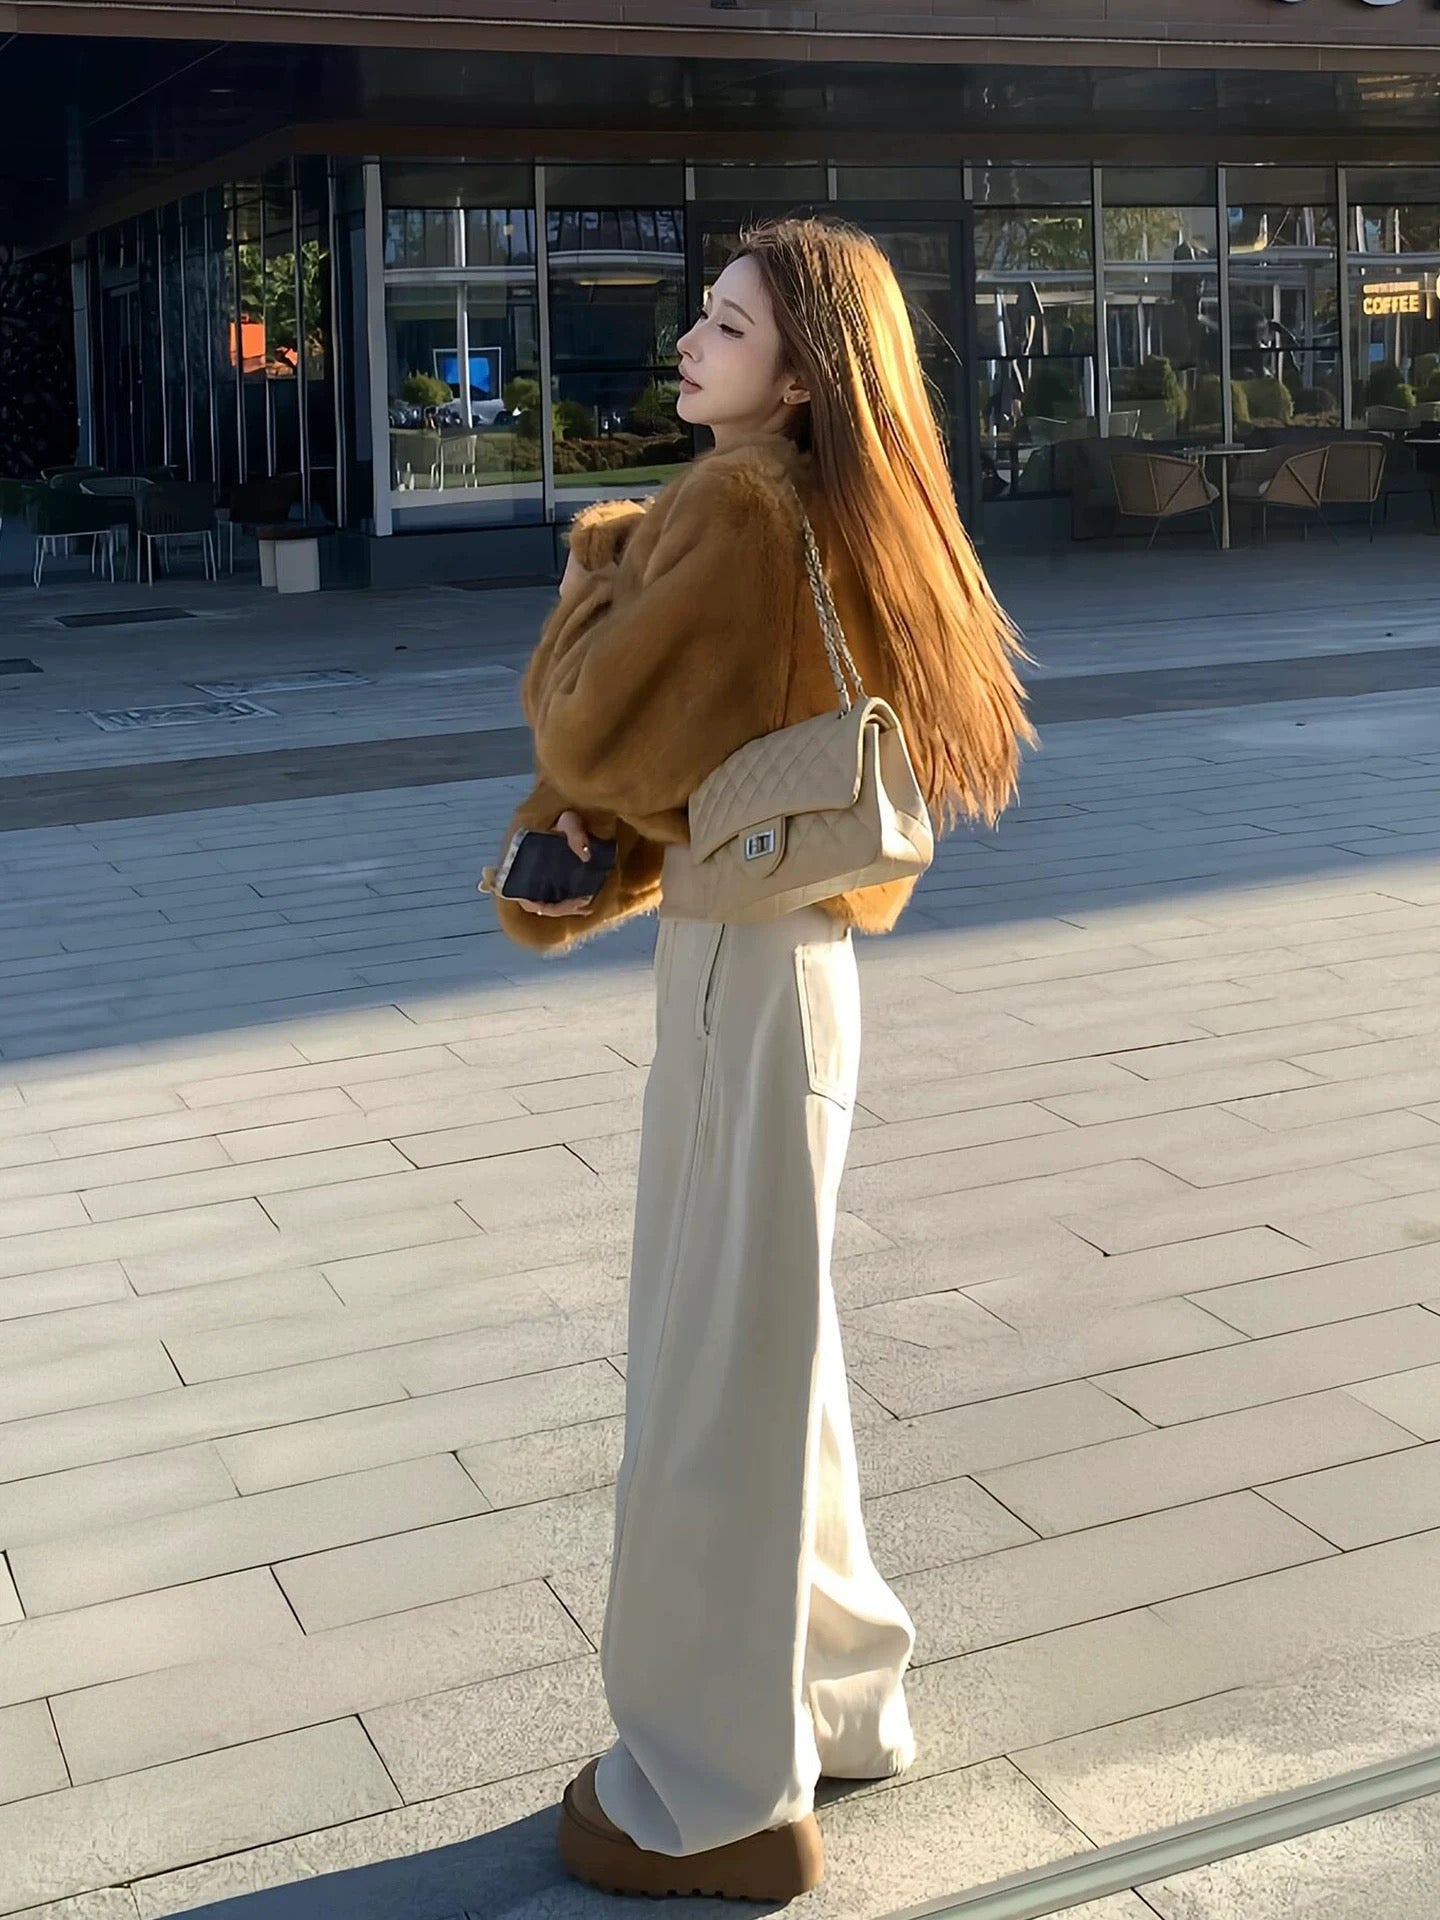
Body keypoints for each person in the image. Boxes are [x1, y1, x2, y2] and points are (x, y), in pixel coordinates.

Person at [487, 215, 1031, 1903]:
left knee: (710, 1378)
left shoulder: (729, 506)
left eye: (726, 326)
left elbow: (594, 732)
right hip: (803, 961)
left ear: (800, 379)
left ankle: (712, 1795)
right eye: (703, 318)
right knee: (770, 1346)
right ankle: (842, 1697)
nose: (689, 342)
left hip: (739, 973)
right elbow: (710, 749)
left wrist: (601, 563)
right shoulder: (835, 505)